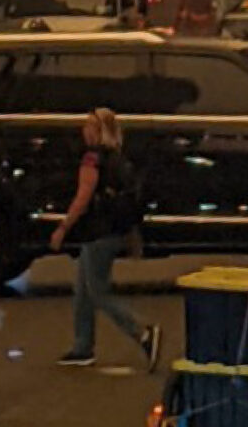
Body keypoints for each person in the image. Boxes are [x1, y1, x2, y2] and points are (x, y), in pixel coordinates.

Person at [51, 107, 161, 372]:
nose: (83, 130)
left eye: (89, 125)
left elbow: (83, 197)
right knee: (82, 291)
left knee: (98, 291)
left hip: (97, 232)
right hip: (113, 231)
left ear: (99, 131)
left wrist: (63, 227)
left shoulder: (92, 159)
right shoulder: (118, 159)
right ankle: (82, 346)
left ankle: (143, 332)